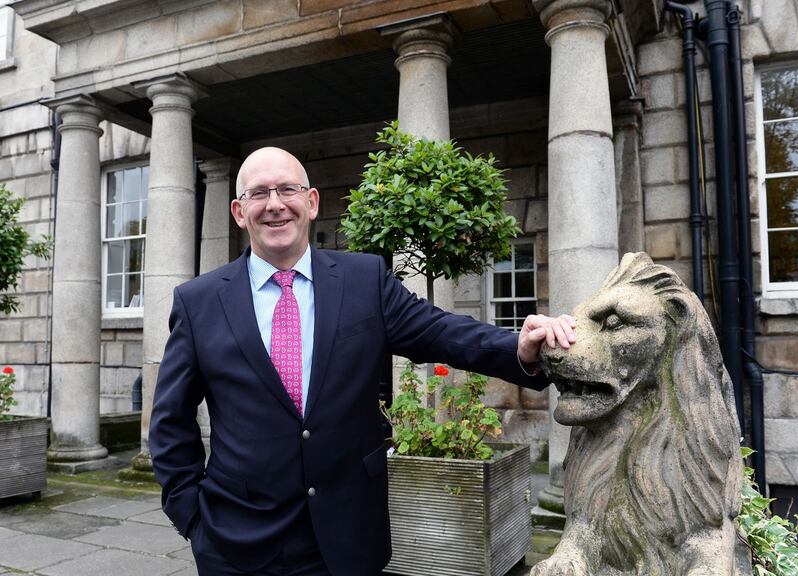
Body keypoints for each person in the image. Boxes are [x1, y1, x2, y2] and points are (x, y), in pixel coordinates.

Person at [150, 147, 576, 576]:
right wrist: (193, 518)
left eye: (287, 189)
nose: (275, 204)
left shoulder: (364, 280)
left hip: (347, 539)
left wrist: (518, 348)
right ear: (239, 212)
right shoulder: (198, 302)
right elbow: (170, 420)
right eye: (259, 193)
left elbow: (439, 331)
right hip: (236, 543)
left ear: (311, 202)